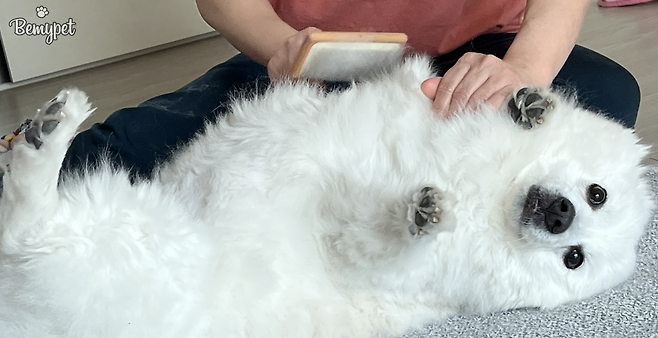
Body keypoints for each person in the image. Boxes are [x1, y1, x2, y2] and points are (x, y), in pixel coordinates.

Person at [48, 0, 640, 179]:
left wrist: (525, 69)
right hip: (318, 59)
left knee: (603, 98)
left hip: (476, 48)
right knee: (131, 152)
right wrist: (282, 47)